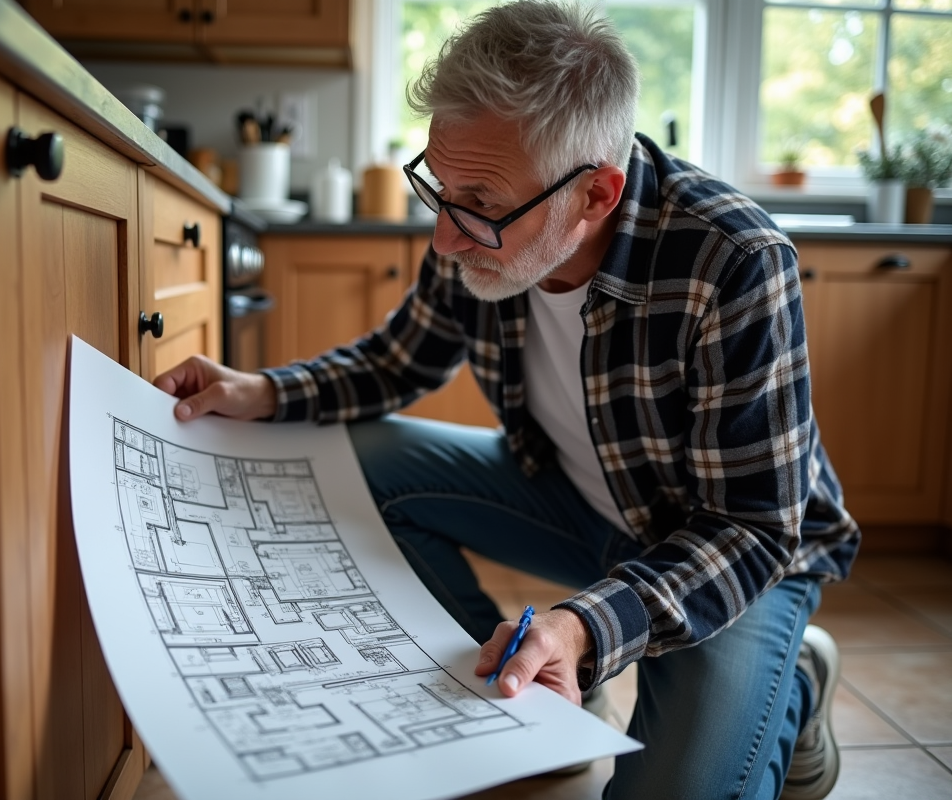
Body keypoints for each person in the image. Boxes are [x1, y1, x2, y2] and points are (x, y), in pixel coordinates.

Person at [153, 2, 860, 798]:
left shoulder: (735, 260)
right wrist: (262, 391)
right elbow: (398, 362)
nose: (444, 239)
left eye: (481, 205)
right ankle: (532, 704)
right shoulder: (478, 217)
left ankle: (792, 684)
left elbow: (755, 527)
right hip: (575, 505)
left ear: (596, 194)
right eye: (439, 191)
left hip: (728, 556)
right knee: (357, 459)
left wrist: (589, 624)